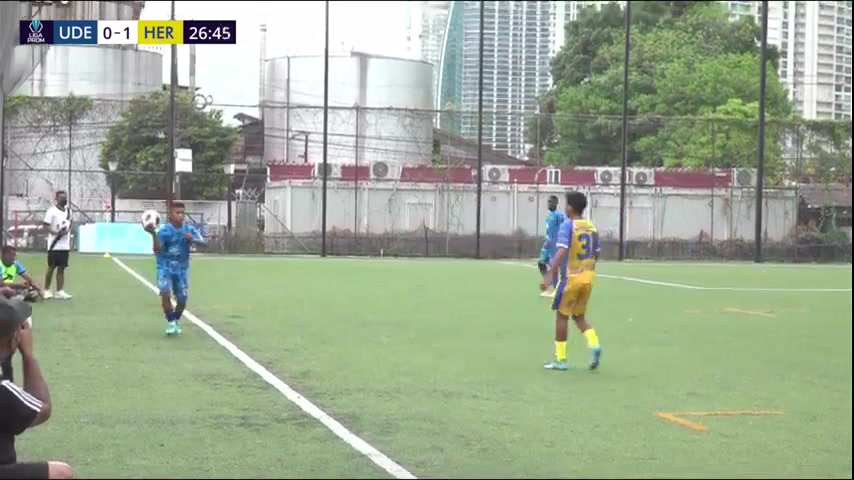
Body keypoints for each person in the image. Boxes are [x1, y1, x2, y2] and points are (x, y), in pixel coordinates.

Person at [0, 297, 73, 479]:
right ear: (11, 339)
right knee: (62, 473)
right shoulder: (3, 392)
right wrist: (28, 355)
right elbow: (42, 409)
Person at [540, 191, 602, 372]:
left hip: (571, 278)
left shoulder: (568, 225)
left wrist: (549, 273)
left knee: (561, 316)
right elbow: (597, 253)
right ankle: (595, 345)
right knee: (579, 317)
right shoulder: (591, 226)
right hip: (588, 278)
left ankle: (561, 360)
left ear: (571, 207)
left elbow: (561, 251)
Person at [145, 202, 205, 336]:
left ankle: (175, 320)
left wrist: (193, 240)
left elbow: (204, 244)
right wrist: (154, 235)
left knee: (182, 300)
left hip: (182, 269)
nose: (181, 215)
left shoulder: (189, 230)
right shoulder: (165, 231)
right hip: (165, 267)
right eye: (177, 213)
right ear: (170, 215)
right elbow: (157, 250)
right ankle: (171, 322)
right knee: (165, 291)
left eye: (183, 213)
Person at [42, 191, 72, 300]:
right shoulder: (51, 211)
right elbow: (46, 226)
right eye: (62, 198)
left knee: (62, 268)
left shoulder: (69, 211)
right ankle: (46, 289)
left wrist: (66, 231)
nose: (64, 200)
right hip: (54, 245)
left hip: (65, 246)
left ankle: (60, 291)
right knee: (51, 267)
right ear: (56, 199)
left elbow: (69, 224)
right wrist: (56, 232)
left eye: (65, 198)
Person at [537, 195, 566, 298]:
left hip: (555, 244)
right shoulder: (548, 216)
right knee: (541, 263)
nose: (549, 204)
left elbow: (563, 227)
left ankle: (555, 289)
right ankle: (548, 282)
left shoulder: (559, 216)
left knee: (554, 266)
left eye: (551, 202)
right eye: (548, 202)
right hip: (548, 243)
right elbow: (550, 230)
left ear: (556, 203)